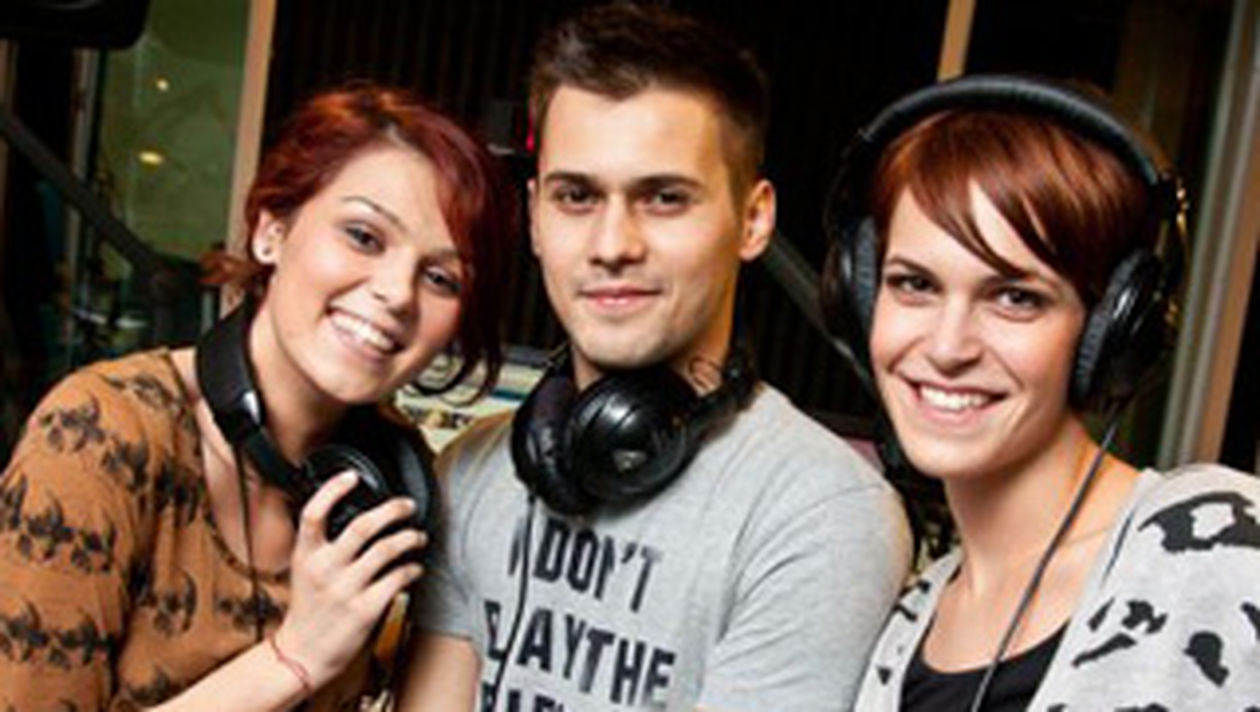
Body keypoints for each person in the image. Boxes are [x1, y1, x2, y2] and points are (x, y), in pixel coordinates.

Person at [398, 4, 912, 710]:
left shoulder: (824, 518)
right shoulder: (471, 472)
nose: (613, 245)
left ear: (753, 219)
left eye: (665, 198)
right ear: (536, 216)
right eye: (576, 196)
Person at [0, 83, 515, 710]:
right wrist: (296, 656)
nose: (397, 293)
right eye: (363, 236)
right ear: (272, 230)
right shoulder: (101, 433)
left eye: (440, 277)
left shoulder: (389, 474)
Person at [821, 74, 1260, 710]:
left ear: (1111, 328)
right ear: (862, 297)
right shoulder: (907, 627)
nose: (947, 347)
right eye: (914, 284)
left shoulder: (1220, 545)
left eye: (1014, 297)